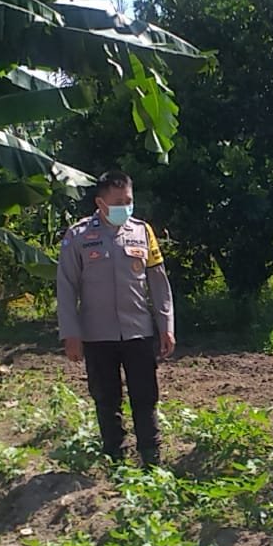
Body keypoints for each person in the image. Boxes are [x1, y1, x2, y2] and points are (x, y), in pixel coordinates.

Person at [57, 171, 175, 464]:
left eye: (129, 201)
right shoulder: (78, 236)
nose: (126, 207)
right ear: (100, 203)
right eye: (118, 202)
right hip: (98, 335)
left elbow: (158, 284)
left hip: (138, 331)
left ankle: (151, 456)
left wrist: (166, 326)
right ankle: (115, 458)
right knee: (106, 399)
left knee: (145, 396)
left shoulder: (143, 232)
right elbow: (66, 287)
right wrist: (71, 333)